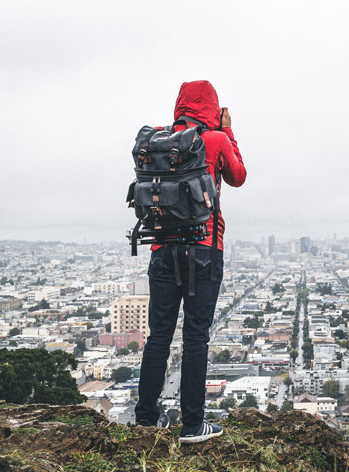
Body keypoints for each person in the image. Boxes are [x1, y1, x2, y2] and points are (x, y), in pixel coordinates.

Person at [135, 80, 247, 443]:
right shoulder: (213, 140)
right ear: (212, 108)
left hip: (161, 250)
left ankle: (146, 419)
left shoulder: (160, 143)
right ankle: (193, 425)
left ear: (180, 106)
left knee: (159, 337)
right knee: (196, 337)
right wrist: (228, 131)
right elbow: (238, 177)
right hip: (203, 250)